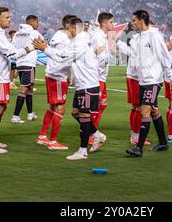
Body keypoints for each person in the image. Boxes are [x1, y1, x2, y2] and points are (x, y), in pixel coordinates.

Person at [34, 17, 106, 160]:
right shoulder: (84, 37)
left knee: (84, 117)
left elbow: (62, 57)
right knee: (75, 113)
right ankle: (97, 135)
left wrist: (45, 48)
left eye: (68, 29)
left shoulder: (79, 41)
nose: (67, 32)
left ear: (73, 27)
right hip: (83, 83)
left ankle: (82, 151)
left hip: (87, 83)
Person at [125, 10, 172, 158]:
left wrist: (171, 77)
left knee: (145, 111)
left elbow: (166, 57)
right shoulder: (139, 37)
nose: (132, 23)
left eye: (134, 20)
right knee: (153, 111)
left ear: (142, 20)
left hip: (153, 81)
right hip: (143, 80)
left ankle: (138, 148)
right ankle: (163, 142)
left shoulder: (154, 36)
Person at [0, 7, 34, 154]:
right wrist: (31, 47)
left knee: (2, 107)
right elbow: (13, 53)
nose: (10, 20)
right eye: (7, 17)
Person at [37, 15, 75, 150]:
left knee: (52, 107)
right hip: (58, 75)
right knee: (60, 107)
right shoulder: (65, 38)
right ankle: (53, 141)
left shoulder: (58, 35)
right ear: (68, 26)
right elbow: (62, 57)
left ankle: (42, 136)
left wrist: (69, 75)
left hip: (53, 73)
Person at [117, 23, 151, 146]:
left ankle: (134, 135)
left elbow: (130, 52)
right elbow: (136, 55)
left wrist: (118, 42)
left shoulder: (137, 38)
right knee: (138, 107)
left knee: (134, 107)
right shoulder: (139, 38)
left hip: (132, 75)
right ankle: (135, 137)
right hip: (136, 77)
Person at [10, 15, 43, 124]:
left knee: (29, 88)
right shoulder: (34, 33)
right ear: (33, 22)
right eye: (37, 22)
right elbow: (42, 43)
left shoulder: (17, 34)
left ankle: (30, 114)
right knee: (24, 89)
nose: (37, 25)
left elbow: (13, 47)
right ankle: (15, 116)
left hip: (20, 63)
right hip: (29, 63)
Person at [88, 12, 114, 136]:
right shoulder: (98, 37)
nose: (113, 24)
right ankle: (91, 135)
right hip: (96, 77)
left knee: (102, 105)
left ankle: (94, 131)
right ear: (104, 23)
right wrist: (111, 55)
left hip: (101, 77)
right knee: (94, 108)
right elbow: (100, 58)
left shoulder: (103, 36)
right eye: (111, 22)